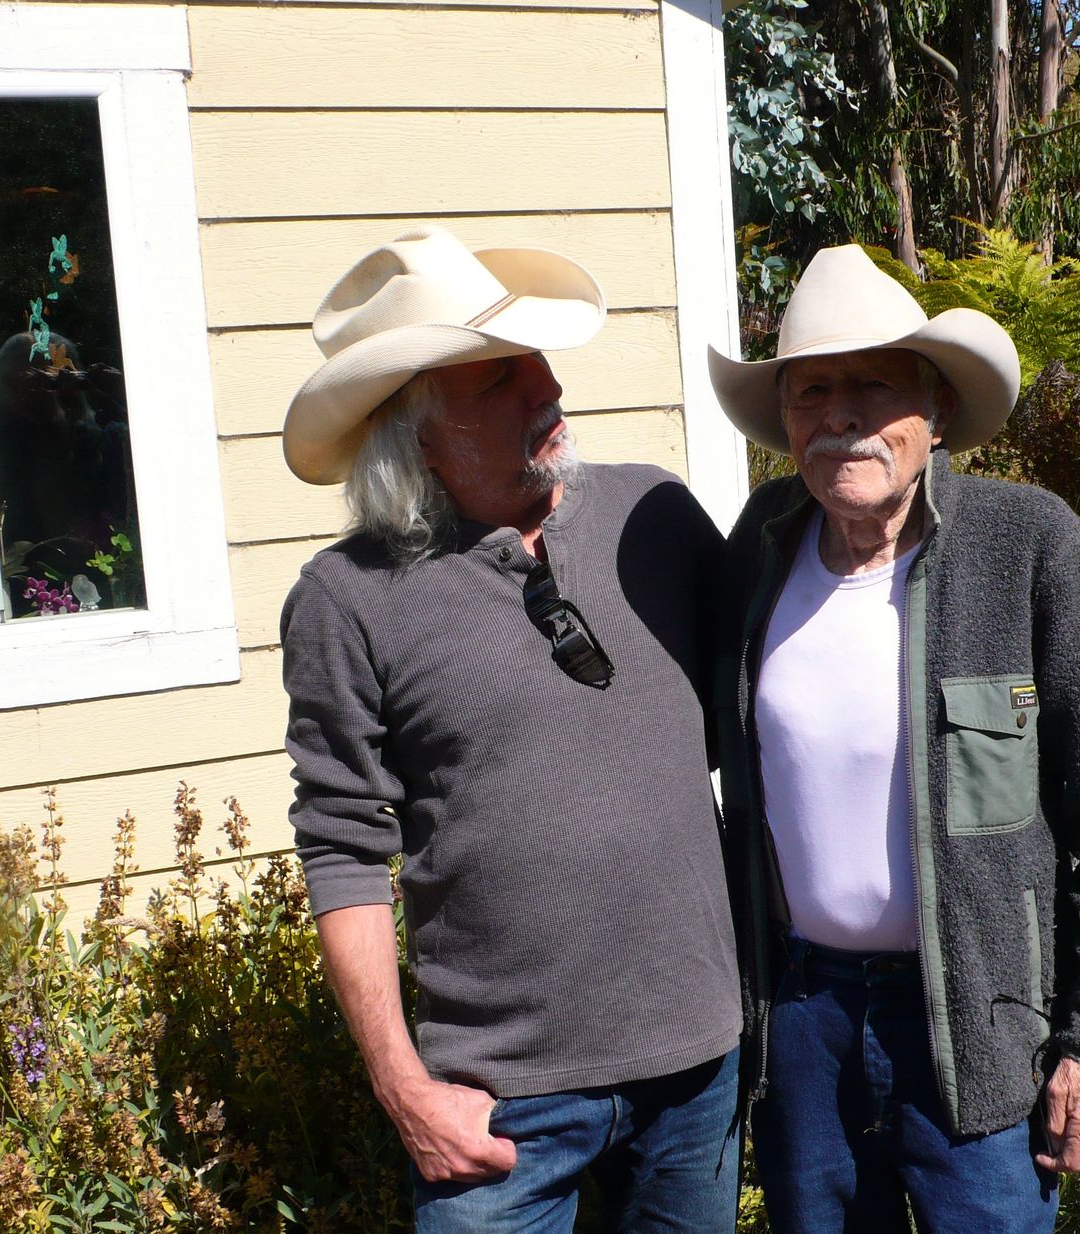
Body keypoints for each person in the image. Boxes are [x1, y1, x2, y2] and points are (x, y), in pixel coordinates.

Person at [708, 244, 1080, 1233]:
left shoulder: (1026, 546)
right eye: (811, 389)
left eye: (874, 385)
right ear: (784, 417)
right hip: (804, 1022)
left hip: (981, 1022)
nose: (841, 415)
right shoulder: (761, 544)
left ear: (935, 407)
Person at [279, 225, 742, 1233]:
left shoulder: (656, 516)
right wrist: (404, 1088)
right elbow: (342, 849)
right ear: (416, 433)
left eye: (536, 359)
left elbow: (763, 721)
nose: (548, 386)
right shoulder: (347, 598)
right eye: (499, 378)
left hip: (696, 1071)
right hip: (497, 1104)